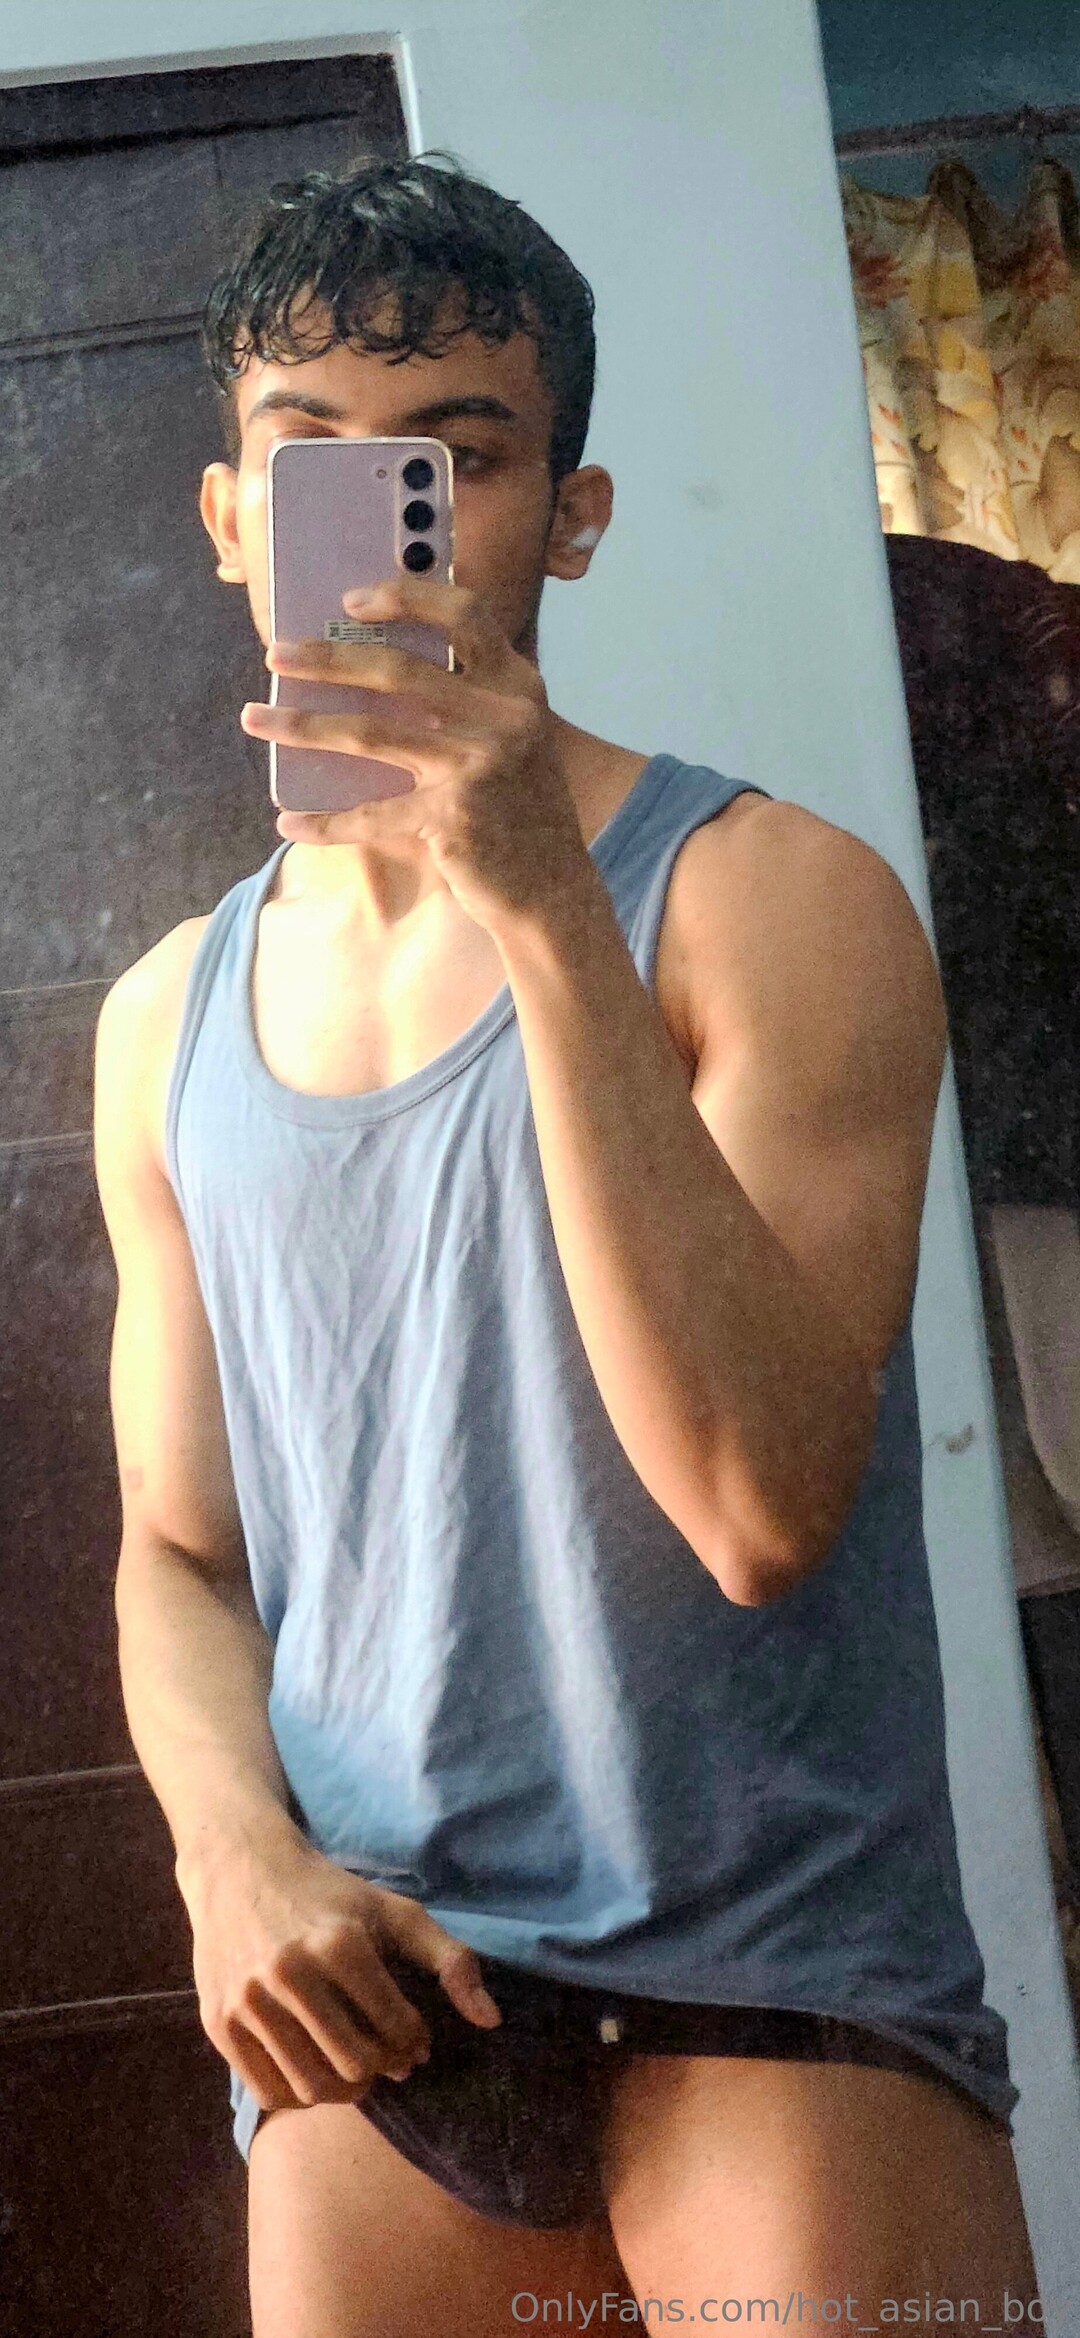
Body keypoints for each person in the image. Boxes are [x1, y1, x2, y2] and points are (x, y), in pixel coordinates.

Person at [92, 152, 1040, 2336]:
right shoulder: (160, 1022)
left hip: (777, 1985)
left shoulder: (773, 899)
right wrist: (231, 1856)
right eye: (310, 457)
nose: (377, 521)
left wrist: (538, 903)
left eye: (455, 460)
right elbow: (177, 1550)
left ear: (570, 515)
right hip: (380, 1998)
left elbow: (759, 1502)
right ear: (229, 516)